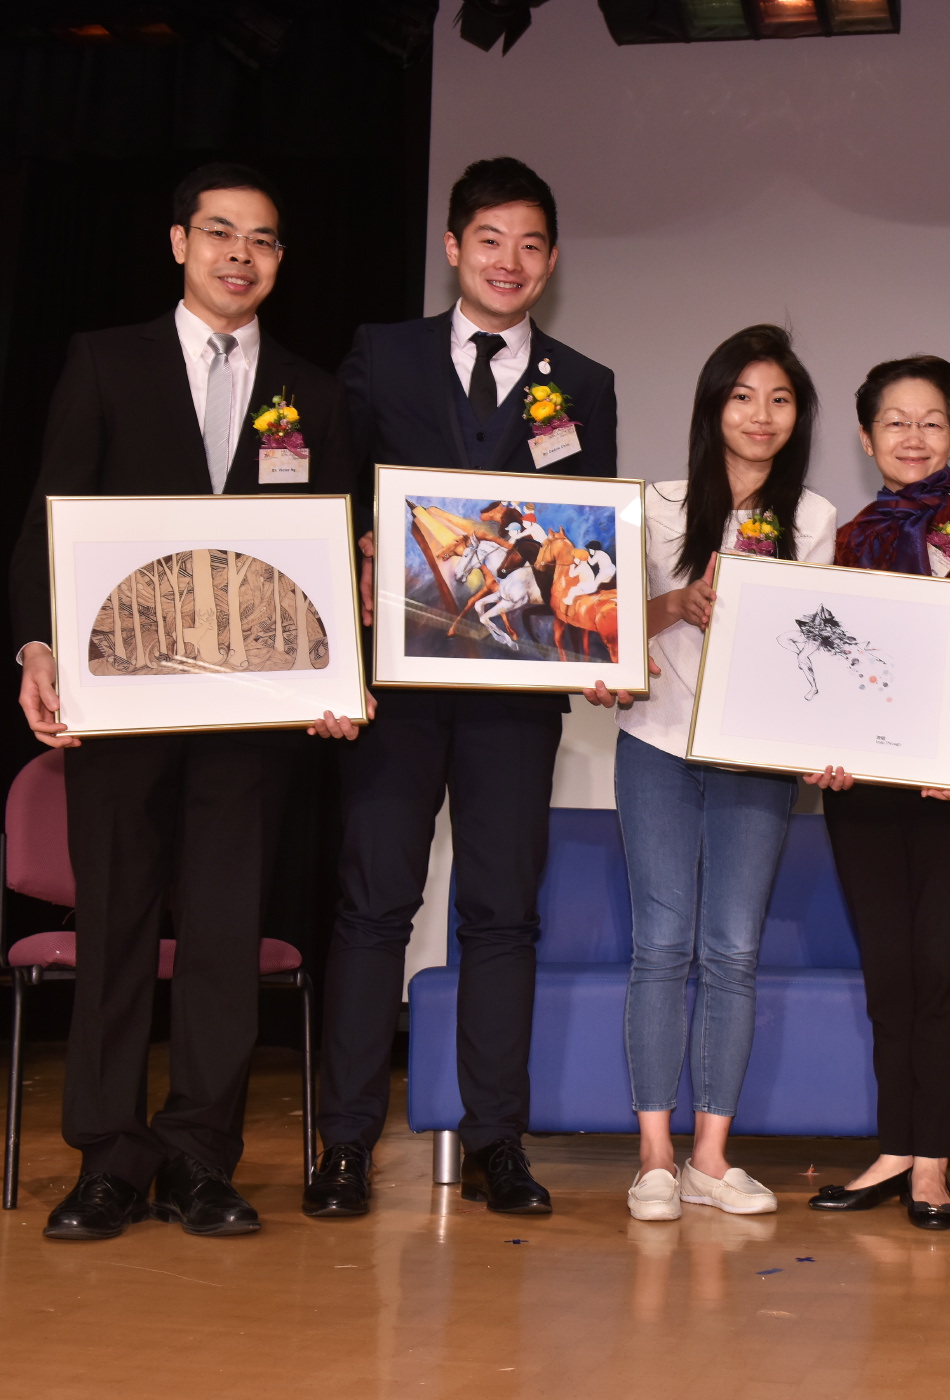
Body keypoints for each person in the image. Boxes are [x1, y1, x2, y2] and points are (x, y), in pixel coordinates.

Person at [9, 163, 358, 1241]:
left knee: (223, 937)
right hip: (123, 701)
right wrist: (36, 646)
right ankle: (108, 1160)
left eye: (262, 239)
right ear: (179, 243)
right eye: (219, 232)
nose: (240, 254)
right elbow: (48, 519)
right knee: (113, 928)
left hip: (253, 718)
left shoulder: (315, 389)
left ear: (279, 261)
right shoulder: (106, 362)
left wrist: (339, 676)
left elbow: (334, 555)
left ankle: (202, 1155)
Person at [303, 157, 618, 1220]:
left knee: (502, 916)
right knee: (371, 908)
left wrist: (602, 643)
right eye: (490, 240)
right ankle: (343, 1143)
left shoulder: (583, 382)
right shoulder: (381, 354)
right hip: (396, 687)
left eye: (531, 244)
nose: (510, 262)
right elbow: (338, 495)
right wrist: (346, 551)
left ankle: (498, 1141)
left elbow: (586, 553)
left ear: (553, 260)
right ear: (453, 247)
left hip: (513, 696)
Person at [585, 325, 837, 1222]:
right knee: (662, 946)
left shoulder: (812, 518)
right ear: (712, 405)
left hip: (756, 759)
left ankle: (712, 1157)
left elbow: (815, 639)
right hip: (655, 743)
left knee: (732, 952)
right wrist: (675, 604)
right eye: (742, 396)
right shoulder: (651, 504)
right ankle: (653, 1156)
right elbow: (605, 623)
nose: (760, 415)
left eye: (779, 399)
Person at [804, 356, 950, 1232]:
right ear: (866, 440)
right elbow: (820, 667)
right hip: (864, 790)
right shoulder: (837, 546)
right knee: (888, 974)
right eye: (895, 422)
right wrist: (813, 745)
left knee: (944, 970)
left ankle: (934, 1160)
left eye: (931, 420)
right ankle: (895, 1147)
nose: (913, 436)